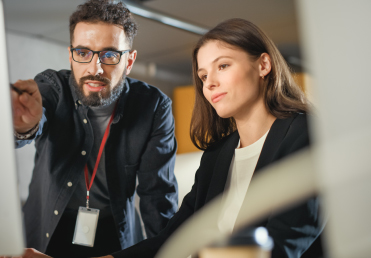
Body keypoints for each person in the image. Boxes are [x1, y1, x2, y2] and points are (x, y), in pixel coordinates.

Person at [97, 18, 323, 258]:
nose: (210, 84)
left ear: (263, 65)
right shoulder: (216, 157)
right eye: (203, 76)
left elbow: (285, 244)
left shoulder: (307, 134)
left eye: (223, 66)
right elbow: (172, 240)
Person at [9, 0, 178, 257]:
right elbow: (34, 121)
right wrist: (25, 126)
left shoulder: (153, 107)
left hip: (114, 232)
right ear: (71, 55)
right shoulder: (52, 87)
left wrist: (170, 253)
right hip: (47, 229)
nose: (95, 69)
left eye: (109, 55)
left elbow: (158, 197)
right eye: (83, 53)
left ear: (129, 61)